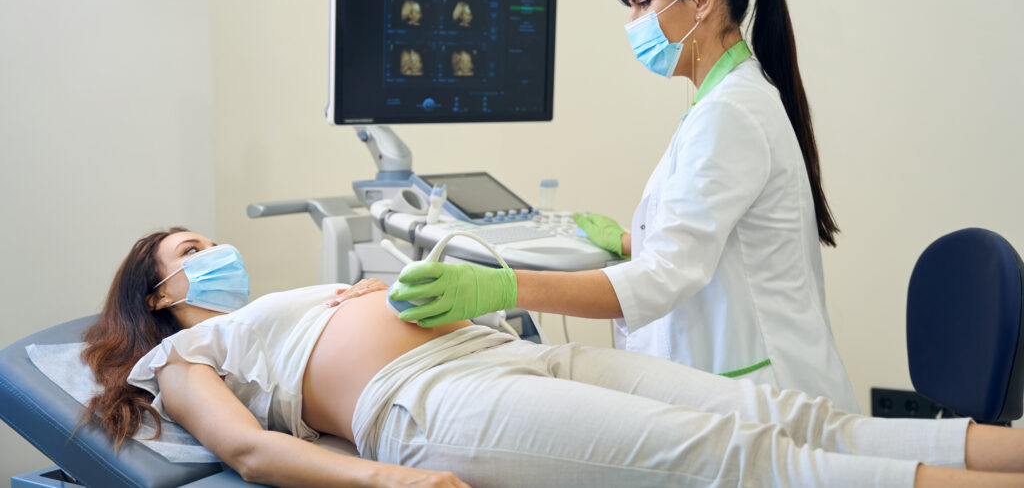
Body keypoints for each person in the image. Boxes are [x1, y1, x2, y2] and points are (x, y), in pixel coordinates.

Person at [81, 228, 1024, 488]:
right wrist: (379, 481)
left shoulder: (292, 299)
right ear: (160, 292)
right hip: (430, 406)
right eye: (191, 251)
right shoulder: (183, 358)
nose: (213, 254)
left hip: (496, 353)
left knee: (789, 416)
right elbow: (248, 453)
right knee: (741, 463)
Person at [389, 0, 857, 411]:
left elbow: (662, 279)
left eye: (644, 4)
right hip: (747, 380)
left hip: (763, 398)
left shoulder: (730, 113)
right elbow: (729, 239)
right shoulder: (730, 100)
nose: (634, 25)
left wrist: (503, 287)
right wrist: (632, 242)